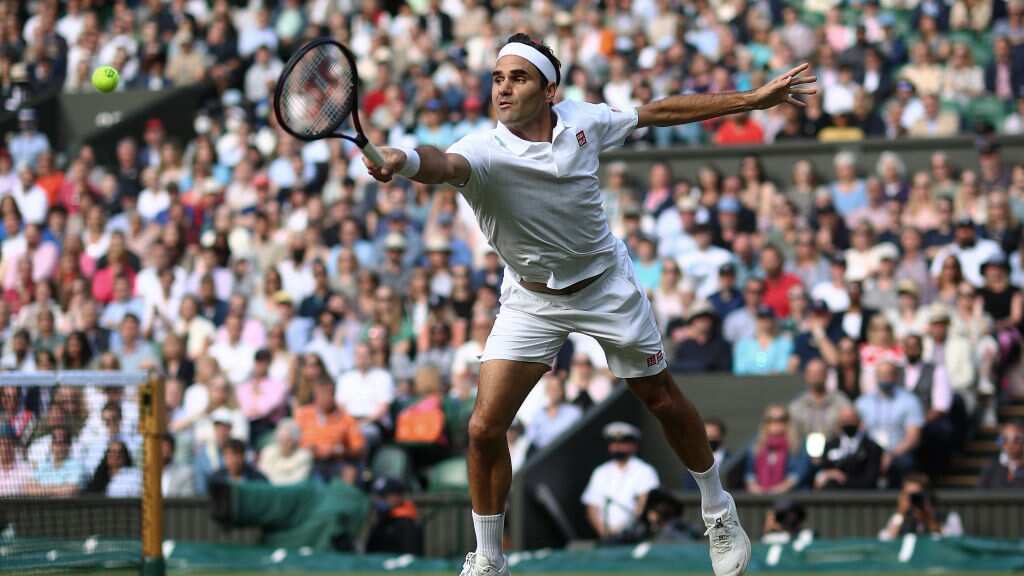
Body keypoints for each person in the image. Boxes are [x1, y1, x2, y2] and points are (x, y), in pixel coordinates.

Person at [367, 33, 814, 576]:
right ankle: (488, 557)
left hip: (606, 288)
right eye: (497, 78)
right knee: (484, 428)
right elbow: (440, 164)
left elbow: (659, 111)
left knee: (663, 400)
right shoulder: (481, 150)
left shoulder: (585, 121)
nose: (503, 89)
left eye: (518, 78)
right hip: (531, 299)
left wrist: (750, 99)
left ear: (550, 91)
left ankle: (718, 508)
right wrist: (403, 158)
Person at [581, 422, 660, 543]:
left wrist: (622, 530)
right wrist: (604, 532)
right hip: (605, 538)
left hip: (634, 538)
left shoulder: (644, 471)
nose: (617, 447)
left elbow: (644, 503)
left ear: (633, 446)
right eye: (614, 443)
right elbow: (592, 507)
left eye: (622, 443)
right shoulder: (600, 472)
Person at [856, 361, 924, 488]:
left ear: (896, 376)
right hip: (870, 452)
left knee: (904, 463)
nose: (885, 378)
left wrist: (891, 454)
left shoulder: (910, 401)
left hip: (899, 451)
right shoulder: (863, 403)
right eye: (881, 374)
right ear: (876, 377)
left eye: (888, 374)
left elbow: (913, 438)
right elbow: (858, 434)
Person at [811, 406, 883, 490]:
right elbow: (820, 473)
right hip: (831, 497)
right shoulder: (830, 445)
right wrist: (829, 474)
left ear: (859, 421)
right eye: (844, 419)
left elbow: (870, 480)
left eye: (851, 418)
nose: (848, 422)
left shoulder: (871, 447)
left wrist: (843, 479)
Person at [744, 405, 808, 494]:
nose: (776, 423)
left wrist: (777, 490)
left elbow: (798, 474)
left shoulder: (797, 445)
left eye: (781, 419)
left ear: (788, 422)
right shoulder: (756, 446)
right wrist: (754, 487)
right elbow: (750, 473)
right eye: (770, 419)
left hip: (790, 497)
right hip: (759, 495)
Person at [879, 473, 963, 540]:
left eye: (915, 496)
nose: (912, 499)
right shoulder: (900, 518)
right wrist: (900, 513)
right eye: (907, 495)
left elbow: (953, 542)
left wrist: (929, 518)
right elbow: (885, 540)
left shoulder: (949, 517)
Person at [788, 358, 852, 442]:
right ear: (806, 376)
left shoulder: (840, 401)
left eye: (819, 373)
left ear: (826, 375)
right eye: (812, 373)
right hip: (804, 450)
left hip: (834, 448)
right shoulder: (797, 405)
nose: (816, 377)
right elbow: (793, 435)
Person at [365, 476, 424, 555]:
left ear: (398, 496)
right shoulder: (382, 520)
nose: (379, 500)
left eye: (384, 496)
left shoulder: (407, 524)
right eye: (377, 496)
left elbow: (410, 557)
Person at [258, 418, 314, 486]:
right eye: (281, 440)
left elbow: (299, 480)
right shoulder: (268, 452)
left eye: (287, 440)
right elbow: (263, 476)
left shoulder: (304, 456)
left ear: (295, 442)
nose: (283, 444)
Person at [977, 421, 1024, 489]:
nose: (1010, 444)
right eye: (1005, 439)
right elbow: (979, 493)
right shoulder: (991, 466)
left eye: (1016, 439)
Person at [161, 433, 195, 497]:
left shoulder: (185, 473)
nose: (164, 451)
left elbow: (186, 499)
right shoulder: (147, 473)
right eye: (162, 447)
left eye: (166, 447)